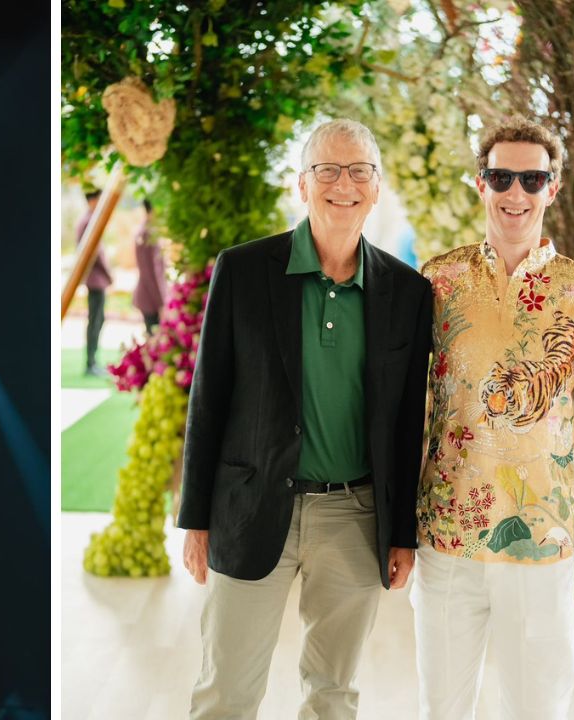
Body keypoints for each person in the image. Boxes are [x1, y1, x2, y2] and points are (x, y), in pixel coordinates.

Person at [177, 119, 432, 719]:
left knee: (332, 695)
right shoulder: (242, 270)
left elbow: (405, 424)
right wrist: (195, 518)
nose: (343, 184)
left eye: (359, 171)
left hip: (356, 514)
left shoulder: (408, 292)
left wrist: (402, 532)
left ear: (376, 188)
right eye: (327, 170)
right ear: (302, 184)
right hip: (251, 505)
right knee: (225, 692)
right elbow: (208, 398)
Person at [413, 116, 574, 719]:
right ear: (480, 184)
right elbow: (397, 396)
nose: (517, 192)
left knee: (538, 709)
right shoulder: (437, 281)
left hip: (542, 542)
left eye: (532, 179)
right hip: (446, 538)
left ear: (552, 188)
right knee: (442, 707)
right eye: (502, 176)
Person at [75, 188, 113, 376]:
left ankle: (92, 361)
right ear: (92, 200)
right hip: (95, 279)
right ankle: (91, 363)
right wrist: (109, 275)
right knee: (95, 320)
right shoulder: (89, 222)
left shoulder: (86, 220)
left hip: (95, 279)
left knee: (98, 319)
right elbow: (96, 253)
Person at [132, 199, 167, 335]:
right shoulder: (148, 233)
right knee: (154, 339)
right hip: (151, 298)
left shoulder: (144, 230)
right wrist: (161, 303)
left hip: (148, 295)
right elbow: (153, 273)